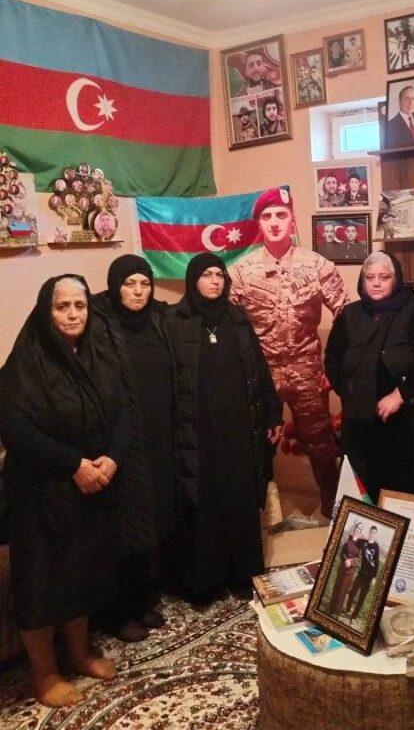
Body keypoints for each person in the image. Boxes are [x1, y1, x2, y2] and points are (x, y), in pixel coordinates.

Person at [0, 275, 127, 707]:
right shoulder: (24, 364)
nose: (73, 315)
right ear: (45, 310)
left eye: (80, 305)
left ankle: (79, 654)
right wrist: (73, 465)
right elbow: (15, 431)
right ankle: (44, 673)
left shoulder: (98, 353)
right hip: (40, 493)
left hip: (90, 487)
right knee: (40, 583)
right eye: (62, 306)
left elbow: (123, 411)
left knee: (81, 573)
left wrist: (113, 458)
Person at [166, 253, 282, 603]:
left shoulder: (237, 317)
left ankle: (241, 573)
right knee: (204, 501)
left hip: (239, 426)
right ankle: (207, 581)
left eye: (219, 274)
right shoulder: (175, 320)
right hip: (198, 429)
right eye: (207, 275)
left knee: (240, 497)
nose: (215, 281)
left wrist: (273, 413)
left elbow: (258, 368)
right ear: (193, 280)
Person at [229, 188, 348, 516]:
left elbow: (347, 317)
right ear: (259, 223)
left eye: (281, 215)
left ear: (292, 221)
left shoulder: (317, 265)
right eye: (267, 216)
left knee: (321, 444)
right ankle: (260, 512)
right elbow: (228, 326)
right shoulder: (241, 272)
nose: (274, 222)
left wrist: (334, 367)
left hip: (306, 370)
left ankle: (332, 511)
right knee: (256, 442)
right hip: (261, 374)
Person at [90, 255, 176, 642]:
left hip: (157, 436)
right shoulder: (100, 325)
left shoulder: (157, 321)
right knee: (123, 525)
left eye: (144, 283)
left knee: (151, 520)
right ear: (115, 287)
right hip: (119, 439)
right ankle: (117, 612)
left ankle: (141, 600)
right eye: (129, 284)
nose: (138, 292)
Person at [325, 251, 414, 503]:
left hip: (403, 424)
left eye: (384, 277)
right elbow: (333, 359)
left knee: (399, 493)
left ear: (395, 279)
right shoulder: (349, 315)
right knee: (363, 493)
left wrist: (401, 394)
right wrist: (350, 393)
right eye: (370, 277)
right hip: (359, 423)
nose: (376, 283)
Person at [345, 525, 380, 620]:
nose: (372, 534)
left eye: (374, 533)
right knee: (352, 592)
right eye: (371, 532)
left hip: (369, 577)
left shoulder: (376, 546)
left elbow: (376, 562)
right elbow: (355, 539)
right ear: (369, 532)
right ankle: (347, 609)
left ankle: (354, 616)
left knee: (362, 598)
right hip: (361, 574)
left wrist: (374, 577)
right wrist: (349, 537)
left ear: (375, 534)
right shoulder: (363, 543)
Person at [329, 520, 362, 613]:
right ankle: (331, 607)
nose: (358, 530)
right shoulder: (348, 539)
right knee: (337, 586)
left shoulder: (360, 544)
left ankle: (337, 610)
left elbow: (359, 558)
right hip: (342, 568)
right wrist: (345, 559)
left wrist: (351, 561)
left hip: (350, 571)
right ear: (355, 529)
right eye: (357, 528)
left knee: (344, 590)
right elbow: (342, 552)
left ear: (360, 531)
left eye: (360, 529)